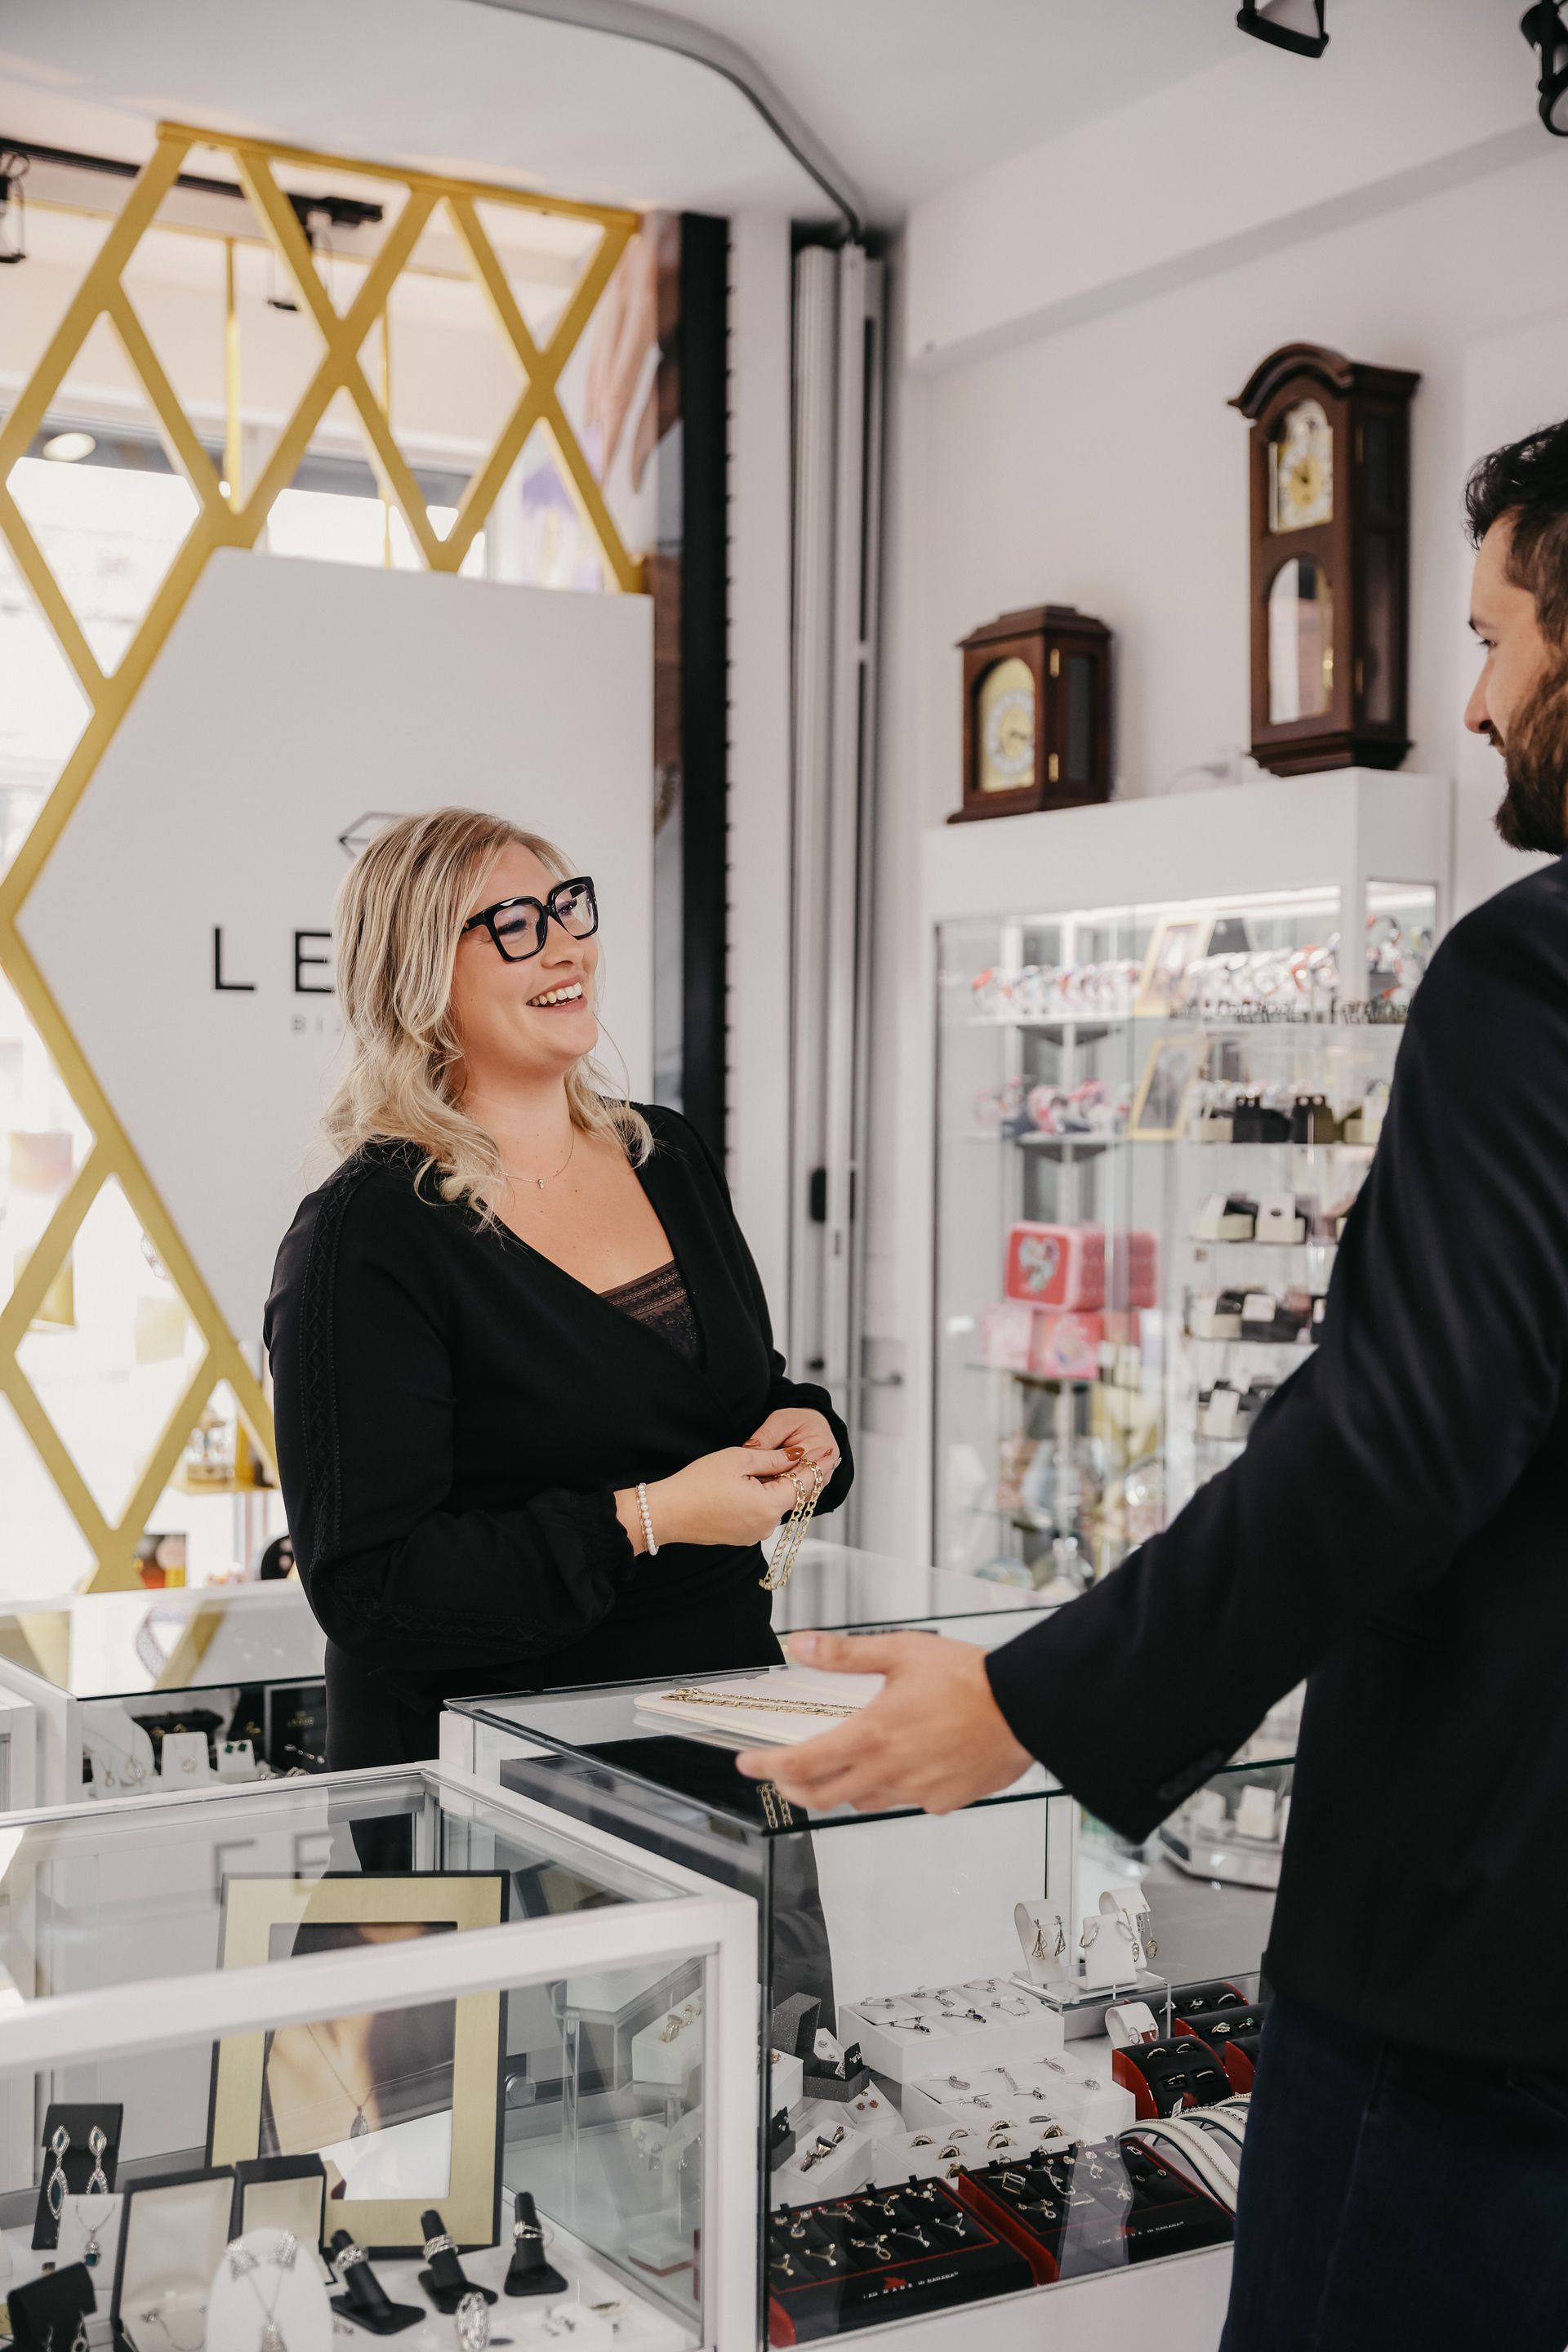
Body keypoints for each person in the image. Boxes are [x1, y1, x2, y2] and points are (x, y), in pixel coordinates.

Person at [740, 420, 1568, 2352]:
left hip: (1484, 1973)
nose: (1471, 696)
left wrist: (1039, 1696)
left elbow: (1408, 1428)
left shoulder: (1530, 975)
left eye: (1500, 635)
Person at [265, 808, 850, 1771]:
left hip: (725, 1722)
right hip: (498, 1775)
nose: (565, 946)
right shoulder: (365, 1234)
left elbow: (740, 1396)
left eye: (567, 908)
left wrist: (804, 1431)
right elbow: (373, 1588)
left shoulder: (667, 1156)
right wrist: (648, 1518)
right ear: (417, 974)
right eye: (513, 924)